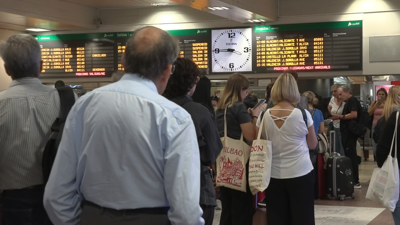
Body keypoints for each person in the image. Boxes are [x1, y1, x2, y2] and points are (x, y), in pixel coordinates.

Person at [43, 26, 204, 225]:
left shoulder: (84, 106)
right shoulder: (175, 118)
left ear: (123, 62)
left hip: (93, 216)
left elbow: (56, 195)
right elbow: (186, 211)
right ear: (167, 70)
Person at [0, 34, 60, 225]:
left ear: (6, 69)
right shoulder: (69, 100)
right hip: (62, 198)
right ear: (41, 66)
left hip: (13, 202)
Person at [163, 58, 222, 225]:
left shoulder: (155, 107)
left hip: (160, 191)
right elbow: (211, 154)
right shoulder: (199, 111)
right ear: (191, 84)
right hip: (198, 190)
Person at [258, 73, 318, 225]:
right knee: (302, 218)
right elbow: (313, 144)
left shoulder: (264, 115)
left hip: (274, 174)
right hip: (301, 172)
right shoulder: (303, 114)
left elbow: (261, 142)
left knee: (277, 218)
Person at [216, 73, 264, 225]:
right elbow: (250, 136)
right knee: (241, 209)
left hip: (224, 164)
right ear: (240, 90)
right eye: (246, 90)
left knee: (227, 208)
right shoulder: (238, 107)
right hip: (240, 164)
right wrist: (255, 116)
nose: (247, 93)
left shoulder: (220, 109)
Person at [331, 85, 362, 189]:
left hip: (350, 132)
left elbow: (354, 114)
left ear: (347, 92)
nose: (339, 97)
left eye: (341, 94)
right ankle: (352, 178)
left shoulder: (352, 100)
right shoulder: (347, 102)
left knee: (351, 156)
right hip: (346, 132)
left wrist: (340, 117)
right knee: (349, 155)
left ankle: (355, 180)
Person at [376, 110, 400, 225]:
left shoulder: (396, 117)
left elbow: (382, 147)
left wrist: (383, 166)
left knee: (398, 203)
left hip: (397, 170)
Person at [368, 88, 388, 160]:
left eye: (383, 94)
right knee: (375, 143)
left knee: (384, 142)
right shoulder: (374, 103)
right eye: (379, 94)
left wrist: (384, 104)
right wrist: (376, 105)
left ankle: (384, 157)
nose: (381, 96)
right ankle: (376, 157)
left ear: (386, 95)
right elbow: (369, 113)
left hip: (384, 126)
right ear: (377, 95)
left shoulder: (388, 103)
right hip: (375, 125)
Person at [328, 84, 345, 156]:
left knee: (342, 145)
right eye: (332, 91)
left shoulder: (344, 101)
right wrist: (331, 115)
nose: (333, 93)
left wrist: (338, 116)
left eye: (335, 91)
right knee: (335, 145)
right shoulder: (332, 99)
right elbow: (329, 107)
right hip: (334, 125)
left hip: (343, 126)